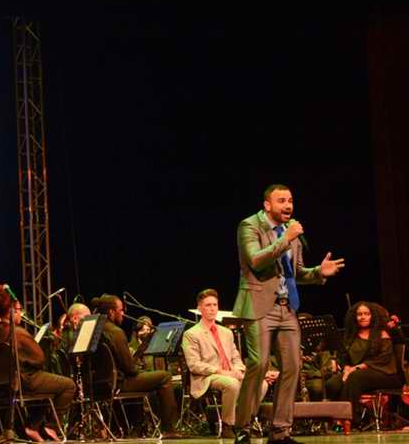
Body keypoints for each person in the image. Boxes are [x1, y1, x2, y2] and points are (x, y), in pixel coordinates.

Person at [233, 184, 345, 444]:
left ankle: (281, 432)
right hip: (259, 305)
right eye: (281, 200)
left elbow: (297, 273)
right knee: (259, 364)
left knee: (293, 367)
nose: (288, 206)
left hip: (287, 307)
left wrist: (318, 272)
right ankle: (243, 430)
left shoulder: (290, 232)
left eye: (291, 200)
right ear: (267, 205)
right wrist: (286, 239)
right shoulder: (249, 226)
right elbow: (256, 260)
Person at [0, 284, 75, 442]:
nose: (21, 313)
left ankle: (33, 426)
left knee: (47, 386)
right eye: (19, 310)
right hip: (23, 382)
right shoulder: (18, 332)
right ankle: (50, 427)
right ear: (12, 310)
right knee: (68, 385)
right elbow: (39, 359)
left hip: (2, 385)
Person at [91, 294, 181, 438]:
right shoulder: (115, 332)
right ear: (111, 312)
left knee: (141, 378)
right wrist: (136, 368)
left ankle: (136, 428)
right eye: (120, 310)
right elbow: (129, 369)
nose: (123, 313)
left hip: (98, 384)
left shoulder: (94, 330)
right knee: (164, 377)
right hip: (117, 384)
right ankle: (169, 429)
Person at [183, 289, 268, 438]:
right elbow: (194, 365)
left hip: (231, 373)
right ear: (199, 308)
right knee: (231, 383)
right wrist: (222, 372)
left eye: (215, 305)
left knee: (262, 384)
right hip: (208, 376)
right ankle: (228, 424)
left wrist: (239, 370)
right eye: (208, 305)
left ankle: (244, 423)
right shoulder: (191, 334)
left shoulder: (227, 333)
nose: (212, 308)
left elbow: (236, 358)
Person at [324, 302, 401, 427]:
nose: (363, 317)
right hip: (358, 373)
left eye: (366, 314)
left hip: (386, 373)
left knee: (355, 378)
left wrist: (355, 369)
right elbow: (345, 358)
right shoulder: (351, 337)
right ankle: (336, 417)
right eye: (359, 314)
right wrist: (346, 369)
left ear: (372, 316)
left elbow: (382, 359)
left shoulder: (382, 334)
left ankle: (347, 419)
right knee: (332, 384)